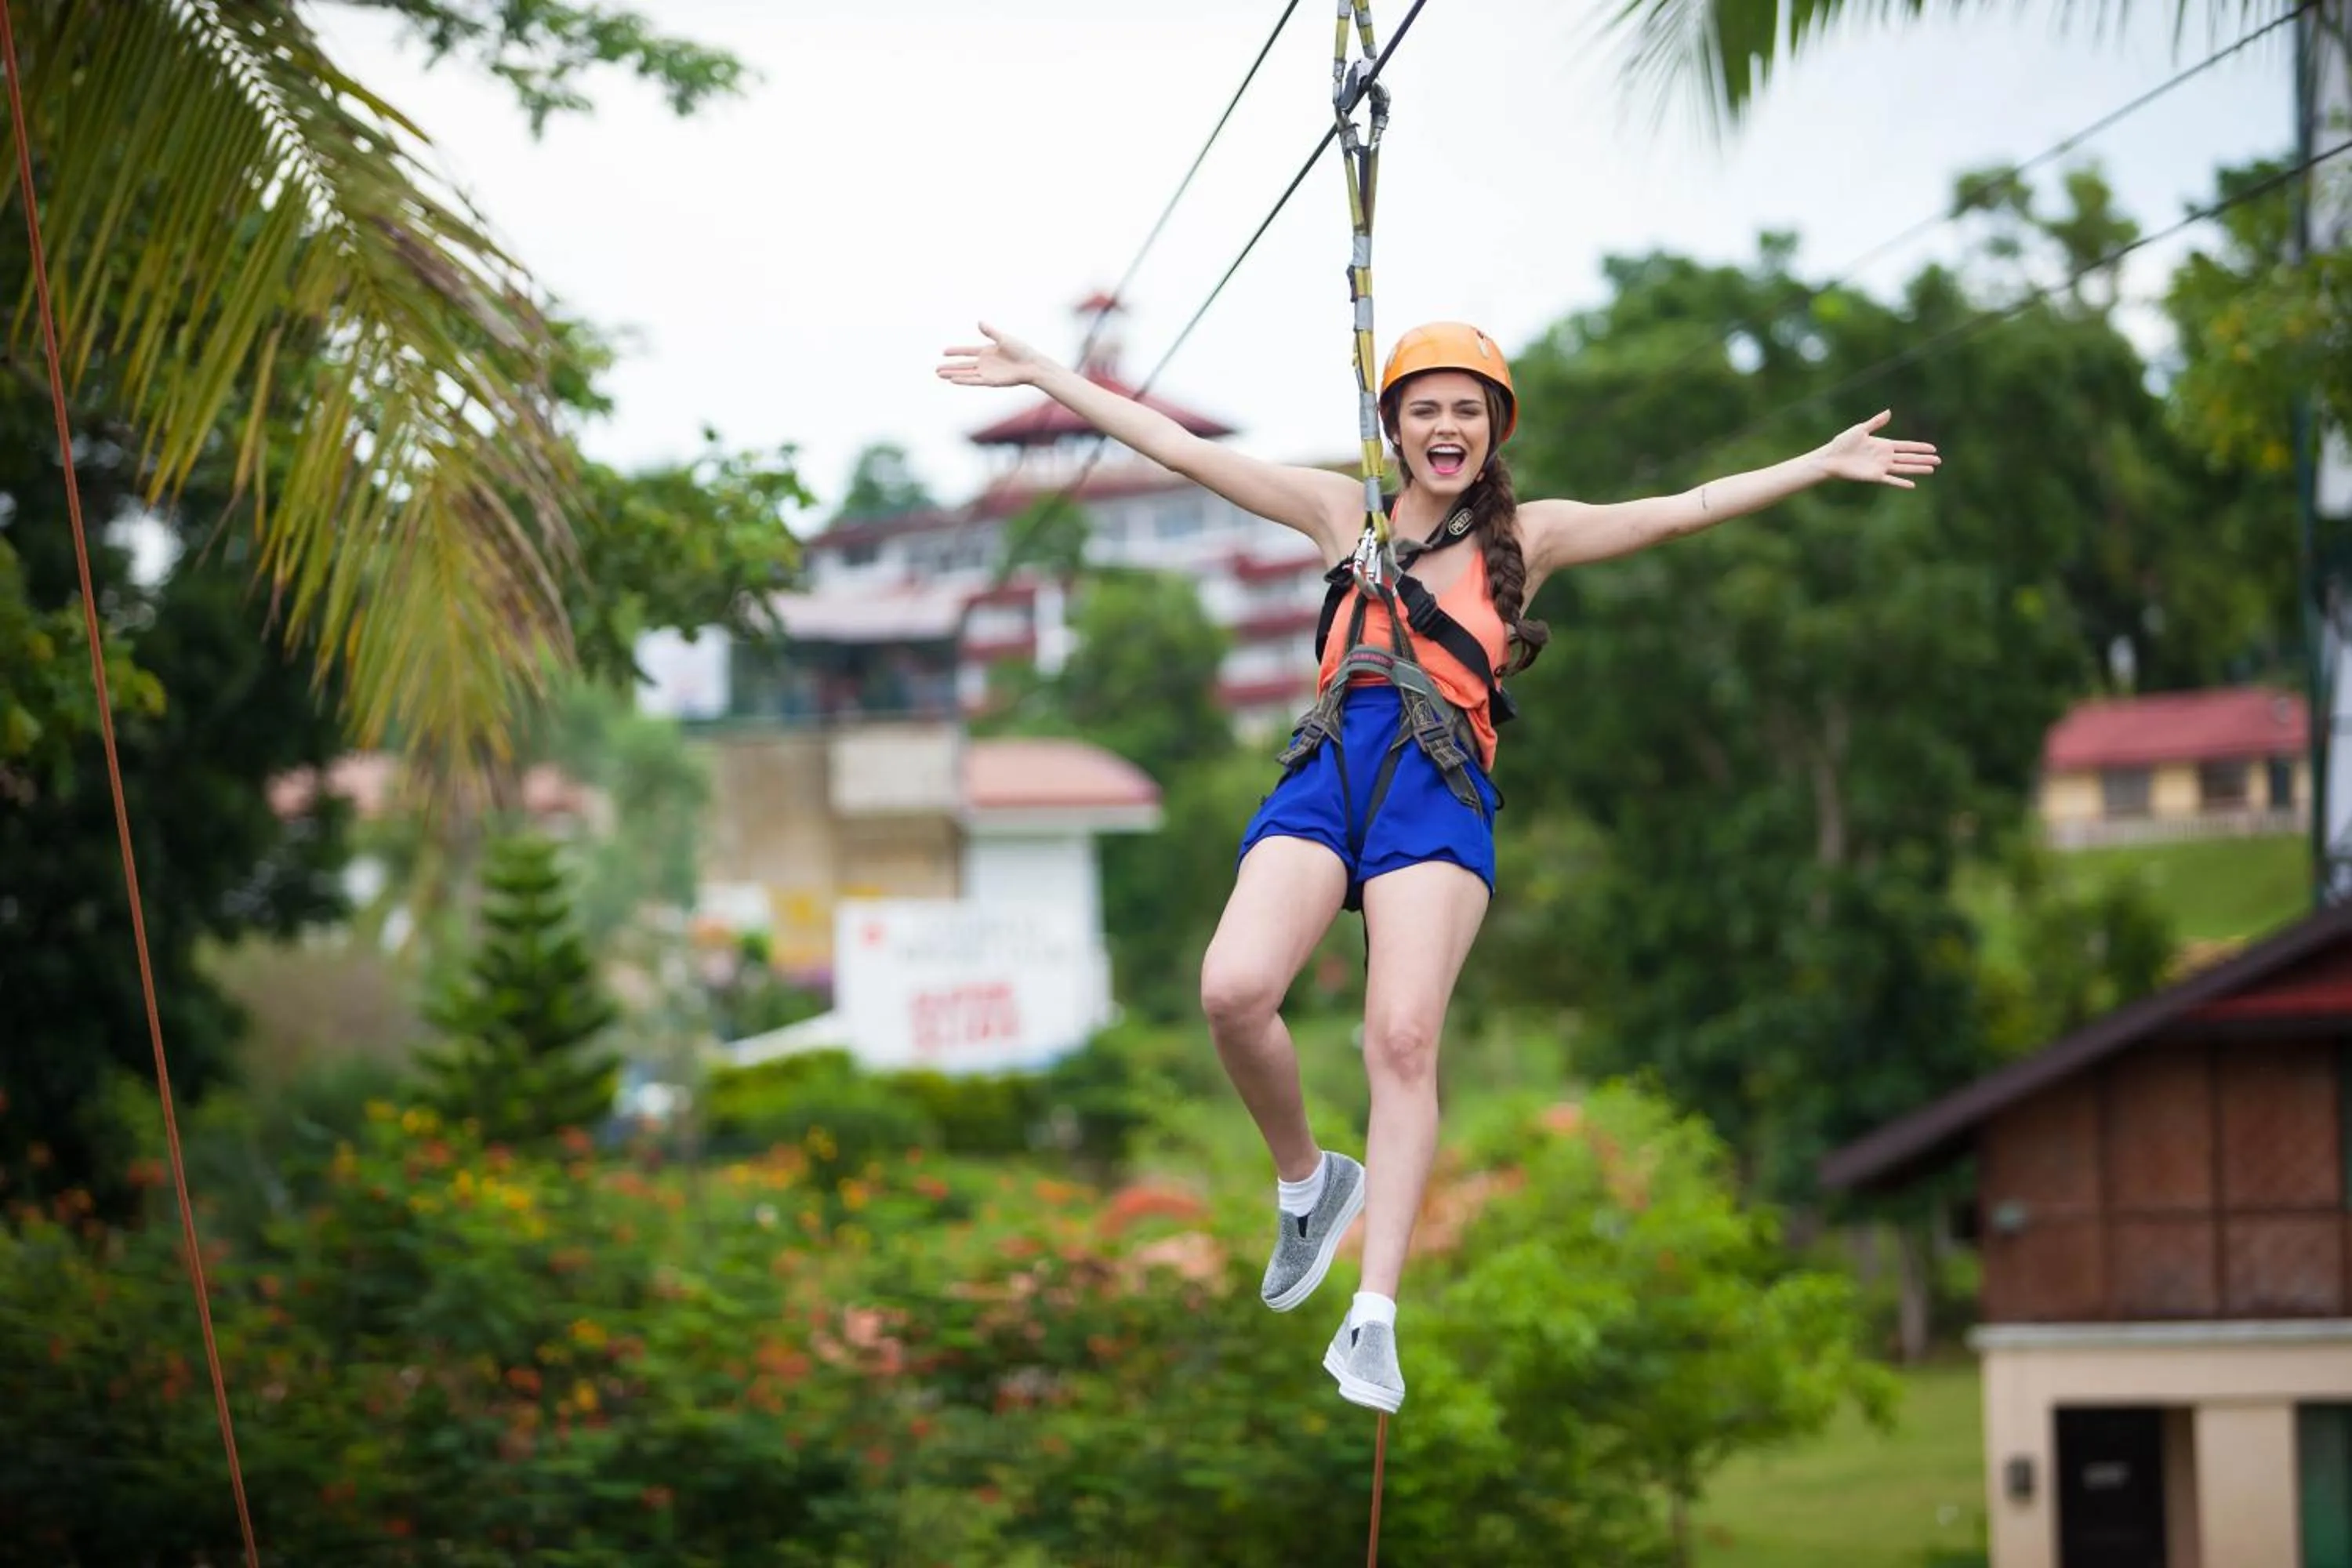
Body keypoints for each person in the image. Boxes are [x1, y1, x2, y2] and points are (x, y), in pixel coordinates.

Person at [936, 319, 1940, 1414]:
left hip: (1437, 786)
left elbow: (1682, 509)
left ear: (1494, 428)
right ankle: (1309, 1183)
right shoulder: (1340, 511)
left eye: (1467, 409)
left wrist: (1819, 463)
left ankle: (1374, 1316)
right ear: (1396, 429)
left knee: (1400, 1038)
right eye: (1426, 409)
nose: (1446, 427)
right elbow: (1183, 451)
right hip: (1325, 773)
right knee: (1232, 992)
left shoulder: (1533, 535)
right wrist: (1049, 377)